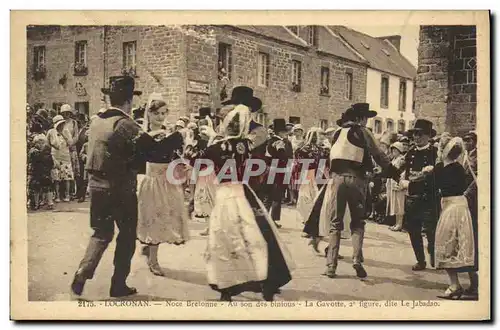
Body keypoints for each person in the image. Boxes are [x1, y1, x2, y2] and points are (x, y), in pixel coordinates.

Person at [185, 105, 295, 302]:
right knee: (257, 236)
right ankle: (265, 282)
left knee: (227, 240)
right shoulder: (244, 144)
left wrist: (208, 139)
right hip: (245, 191)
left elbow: (194, 160)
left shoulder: (217, 147)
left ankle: (228, 287)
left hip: (226, 194)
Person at [70, 75, 147, 298]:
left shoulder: (96, 121)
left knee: (101, 233)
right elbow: (147, 154)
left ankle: (82, 271)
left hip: (96, 187)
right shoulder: (126, 124)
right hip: (120, 188)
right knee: (127, 234)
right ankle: (118, 284)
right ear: (129, 101)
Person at [304, 103, 400, 279]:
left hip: (336, 179)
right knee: (357, 222)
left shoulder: (337, 133)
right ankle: (356, 259)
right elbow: (379, 155)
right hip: (356, 179)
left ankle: (331, 266)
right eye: (366, 118)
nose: (366, 121)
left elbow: (331, 157)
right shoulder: (363, 132)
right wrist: (394, 173)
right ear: (361, 118)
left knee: (335, 223)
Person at [136, 92, 190, 276]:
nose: (160, 117)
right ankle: (153, 259)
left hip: (167, 180)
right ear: (149, 114)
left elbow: (172, 155)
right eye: (157, 113)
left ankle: (150, 251)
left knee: (167, 216)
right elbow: (151, 153)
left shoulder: (168, 134)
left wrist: (180, 163)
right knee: (154, 218)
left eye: (163, 113)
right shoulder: (144, 135)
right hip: (153, 181)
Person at [433, 136, 476, 299]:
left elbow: (431, 185)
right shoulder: (457, 167)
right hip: (460, 206)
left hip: (452, 207)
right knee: (463, 244)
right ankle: (471, 285)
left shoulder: (442, 168)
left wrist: (409, 183)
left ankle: (455, 285)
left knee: (446, 243)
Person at [399, 119, 439, 271]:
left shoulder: (435, 153)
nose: (416, 137)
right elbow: (401, 169)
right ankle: (420, 260)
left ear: (428, 136)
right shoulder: (411, 152)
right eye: (414, 134)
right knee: (413, 230)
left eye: (420, 134)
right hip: (412, 198)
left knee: (431, 230)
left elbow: (435, 176)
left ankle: (434, 254)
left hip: (428, 198)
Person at [265, 119, 293, 228]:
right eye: (284, 132)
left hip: (270, 169)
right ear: (280, 132)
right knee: (277, 196)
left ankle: (265, 218)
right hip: (279, 170)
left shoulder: (269, 141)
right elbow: (283, 156)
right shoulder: (279, 142)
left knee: (268, 196)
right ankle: (272, 220)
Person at [295, 127, 322, 224]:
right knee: (307, 195)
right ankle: (307, 216)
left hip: (312, 172)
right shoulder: (306, 148)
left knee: (310, 195)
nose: (314, 137)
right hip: (309, 172)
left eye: (315, 135)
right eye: (313, 135)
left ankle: (309, 216)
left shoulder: (316, 149)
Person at [47, 115, 74, 202]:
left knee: (67, 177)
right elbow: (47, 143)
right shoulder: (51, 132)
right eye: (59, 124)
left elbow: (70, 143)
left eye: (62, 124)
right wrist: (52, 146)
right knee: (56, 177)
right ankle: (57, 196)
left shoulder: (66, 131)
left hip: (65, 156)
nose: (61, 126)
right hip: (55, 156)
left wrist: (64, 135)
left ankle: (67, 195)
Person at [27, 134, 54, 210]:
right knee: (36, 188)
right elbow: (35, 160)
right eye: (39, 143)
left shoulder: (45, 152)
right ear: (35, 143)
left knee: (48, 187)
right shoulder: (34, 151)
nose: (41, 144)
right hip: (36, 172)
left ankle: (50, 202)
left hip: (44, 171)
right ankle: (35, 203)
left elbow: (50, 162)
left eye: (43, 143)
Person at [60, 104, 80, 199]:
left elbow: (76, 135)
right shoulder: (60, 123)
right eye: (64, 113)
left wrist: (71, 143)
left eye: (67, 113)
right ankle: (63, 192)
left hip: (71, 148)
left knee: (72, 171)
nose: (66, 115)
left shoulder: (74, 123)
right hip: (62, 149)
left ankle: (72, 192)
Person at [386, 142, 406, 231]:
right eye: (392, 150)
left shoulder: (401, 160)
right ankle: (396, 223)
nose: (393, 152)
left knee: (399, 204)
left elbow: (403, 172)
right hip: (392, 183)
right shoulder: (394, 159)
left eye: (395, 150)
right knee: (395, 204)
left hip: (399, 183)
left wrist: (400, 182)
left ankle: (399, 224)